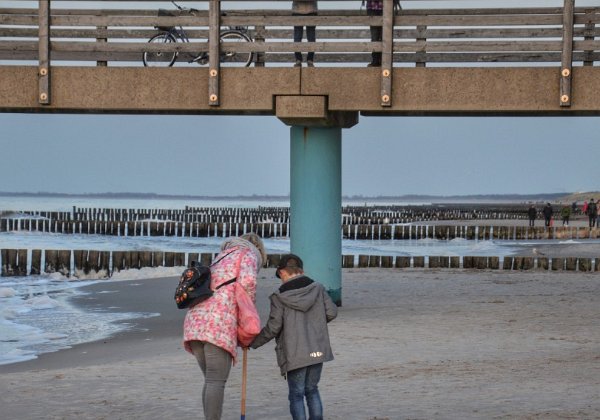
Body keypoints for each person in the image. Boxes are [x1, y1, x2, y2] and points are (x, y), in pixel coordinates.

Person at [183, 233, 267, 420]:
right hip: (218, 323)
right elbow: (248, 284)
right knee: (215, 380)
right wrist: (248, 316)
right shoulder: (249, 253)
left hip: (194, 321)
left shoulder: (221, 256)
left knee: (211, 380)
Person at [250, 254, 337, 420]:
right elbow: (332, 312)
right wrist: (315, 322)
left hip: (294, 352)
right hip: (317, 349)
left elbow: (274, 327)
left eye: (280, 275)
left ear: (282, 272)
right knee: (312, 389)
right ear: (301, 270)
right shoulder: (318, 288)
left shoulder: (279, 296)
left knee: (296, 394)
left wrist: (254, 342)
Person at [292, 0, 317, 67]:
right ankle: (303, 60)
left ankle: (304, 60)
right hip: (300, 10)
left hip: (308, 10)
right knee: (299, 37)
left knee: (309, 37)